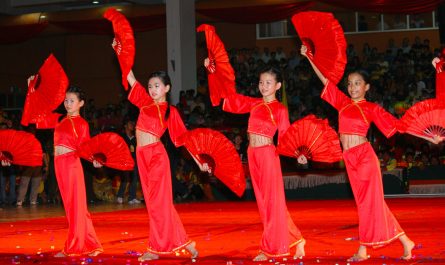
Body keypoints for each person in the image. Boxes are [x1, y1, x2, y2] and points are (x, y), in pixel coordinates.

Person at [301, 44, 421, 262]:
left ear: (367, 87)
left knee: (367, 204)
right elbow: (325, 81)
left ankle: (363, 250)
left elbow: (399, 125)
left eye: (357, 84)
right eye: (350, 84)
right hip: (350, 159)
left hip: (365, 157)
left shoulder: (371, 108)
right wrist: (309, 57)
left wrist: (429, 136)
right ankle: (405, 241)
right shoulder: (343, 104)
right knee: (370, 203)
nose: (353, 87)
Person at [204, 60, 305, 261]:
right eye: (261, 82)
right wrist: (212, 73)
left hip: (268, 154)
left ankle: (271, 248)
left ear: (277, 86)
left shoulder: (280, 110)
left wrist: (297, 153)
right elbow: (226, 99)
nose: (263, 86)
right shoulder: (253, 103)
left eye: (268, 82)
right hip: (252, 154)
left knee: (272, 203)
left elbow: (286, 137)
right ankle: (297, 239)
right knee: (264, 203)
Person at [126, 70, 204, 261]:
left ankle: (155, 249)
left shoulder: (171, 111)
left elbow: (184, 139)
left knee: (157, 204)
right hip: (141, 156)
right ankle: (186, 243)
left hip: (156, 156)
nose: (152, 89)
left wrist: (200, 161)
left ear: (167, 88)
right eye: (150, 86)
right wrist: (120, 47)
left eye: (157, 86)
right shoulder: (144, 102)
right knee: (156, 204)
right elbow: (131, 78)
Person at [52, 85, 103, 257]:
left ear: (81, 103)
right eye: (66, 100)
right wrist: (32, 90)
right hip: (59, 165)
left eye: (71, 101)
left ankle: (74, 245)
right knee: (71, 206)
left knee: (76, 207)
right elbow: (36, 115)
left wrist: (94, 159)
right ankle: (90, 243)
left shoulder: (81, 123)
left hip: (71, 165)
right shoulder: (61, 120)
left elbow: (85, 146)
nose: (67, 103)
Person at [116, 118, 141, 204]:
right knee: (125, 178)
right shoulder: (121, 137)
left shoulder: (136, 137)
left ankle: (132, 197)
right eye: (130, 123)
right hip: (124, 160)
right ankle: (120, 195)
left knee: (134, 178)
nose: (132, 125)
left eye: (133, 123)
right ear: (125, 125)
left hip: (134, 160)